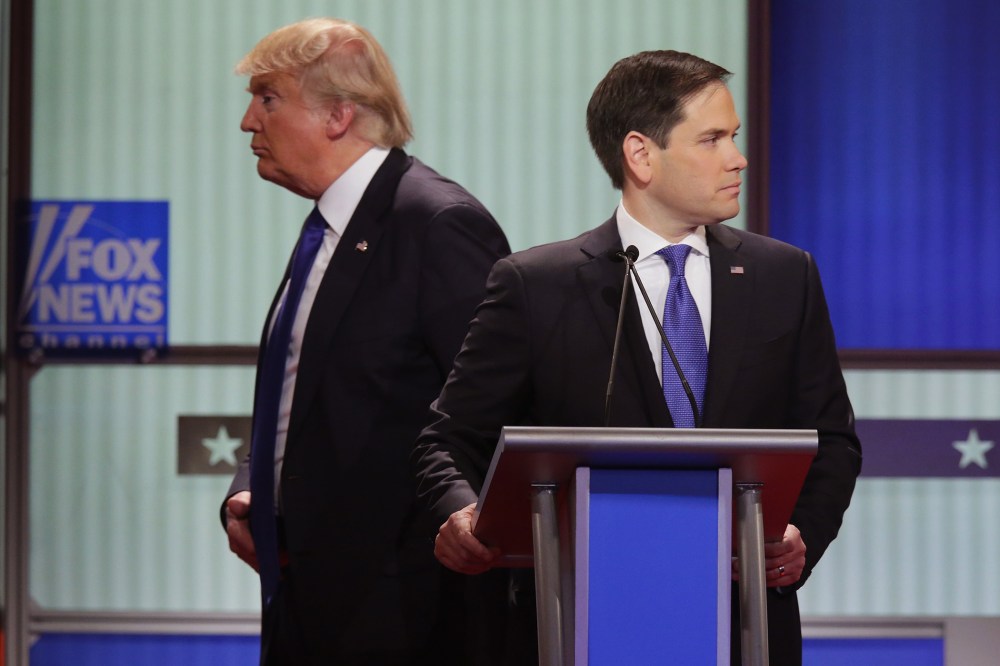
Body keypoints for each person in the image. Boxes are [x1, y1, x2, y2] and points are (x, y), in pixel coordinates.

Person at [413, 50, 861, 665]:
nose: (738, 158)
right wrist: (462, 514)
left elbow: (832, 438)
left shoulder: (784, 275)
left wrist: (801, 533)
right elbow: (448, 438)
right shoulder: (536, 285)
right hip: (574, 623)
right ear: (641, 155)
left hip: (743, 624)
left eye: (733, 137)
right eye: (712, 139)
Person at [221, 18, 510, 665]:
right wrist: (252, 489)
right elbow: (305, 393)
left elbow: (492, 415)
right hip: (306, 596)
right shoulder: (325, 229)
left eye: (268, 98)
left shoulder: (437, 222)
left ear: (337, 115)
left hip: (403, 617)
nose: (247, 121)